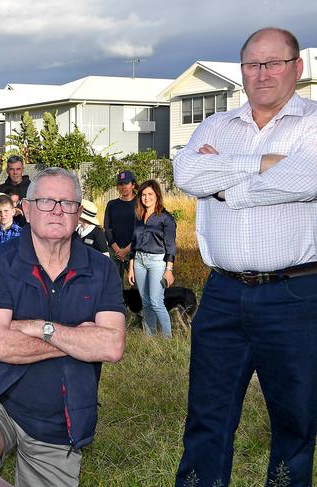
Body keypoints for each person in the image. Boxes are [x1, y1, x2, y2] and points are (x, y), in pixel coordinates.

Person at [173, 27, 317, 486]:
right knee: (207, 417)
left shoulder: (313, 124)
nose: (263, 73)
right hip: (221, 293)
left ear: (298, 67)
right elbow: (186, 172)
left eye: (274, 62)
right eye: (253, 64)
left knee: (295, 419)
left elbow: (304, 180)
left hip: (296, 295)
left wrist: (223, 188)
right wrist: (261, 163)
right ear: (242, 72)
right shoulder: (215, 125)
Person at [0, 167, 125, 487]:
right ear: (26, 210)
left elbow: (112, 346)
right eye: (46, 201)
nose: (57, 210)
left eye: (67, 203)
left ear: (79, 212)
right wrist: (78, 338)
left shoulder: (101, 268)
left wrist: (41, 327)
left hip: (60, 413)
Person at [127, 180, 176, 338]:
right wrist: (131, 267)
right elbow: (134, 244)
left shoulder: (166, 218)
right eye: (143, 195)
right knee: (145, 301)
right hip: (139, 261)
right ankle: (151, 337)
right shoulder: (139, 216)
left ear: (157, 195)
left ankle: (167, 339)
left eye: (150, 194)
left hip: (157, 262)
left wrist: (169, 270)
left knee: (156, 301)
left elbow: (171, 246)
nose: (146, 198)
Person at [103, 170, 137, 283]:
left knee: (137, 285)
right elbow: (107, 228)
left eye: (126, 183)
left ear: (133, 184)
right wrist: (117, 250)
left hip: (134, 250)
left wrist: (127, 250)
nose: (123, 187)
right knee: (115, 285)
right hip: (114, 251)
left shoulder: (140, 203)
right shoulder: (112, 204)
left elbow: (143, 229)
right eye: (120, 184)